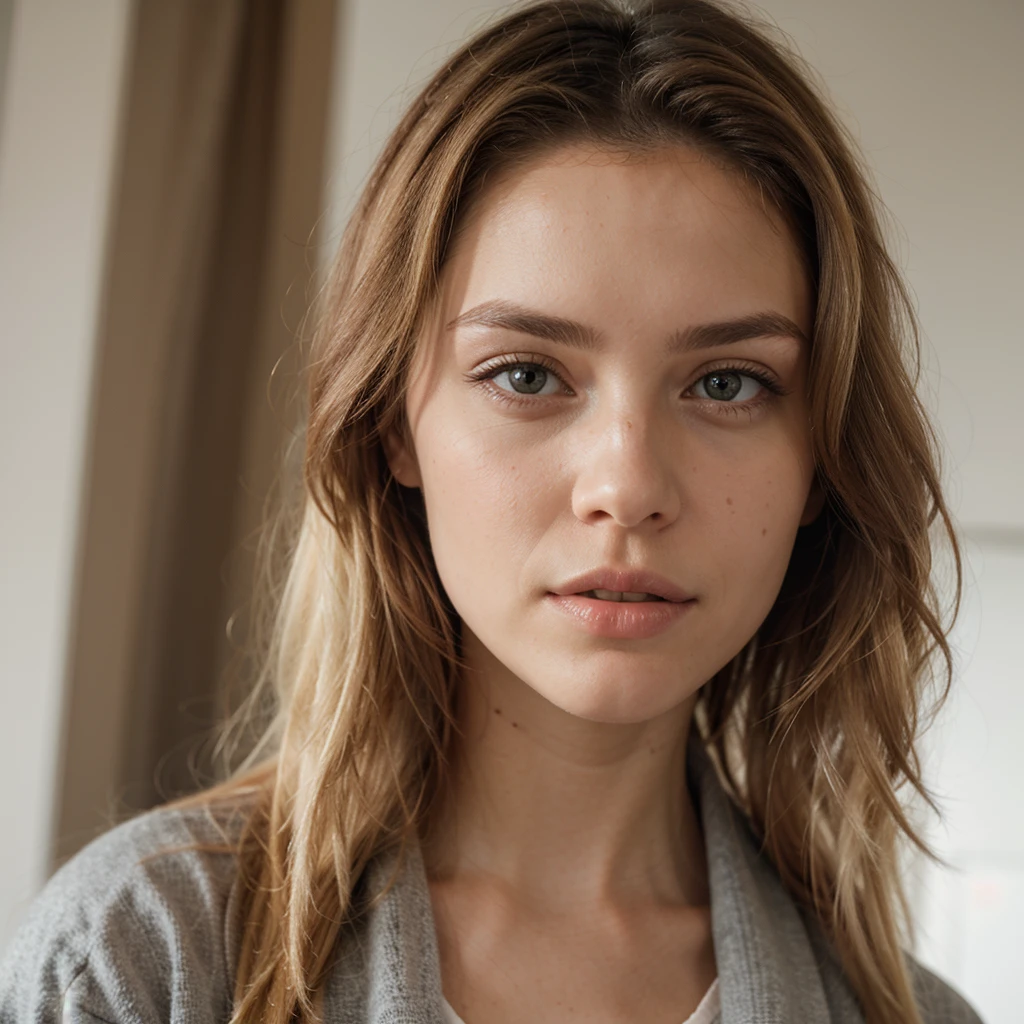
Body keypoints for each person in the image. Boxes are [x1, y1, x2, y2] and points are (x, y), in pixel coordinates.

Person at [0, 1, 985, 1022]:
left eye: (727, 383)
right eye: (526, 373)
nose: (626, 485)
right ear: (391, 423)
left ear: (821, 454)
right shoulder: (136, 962)